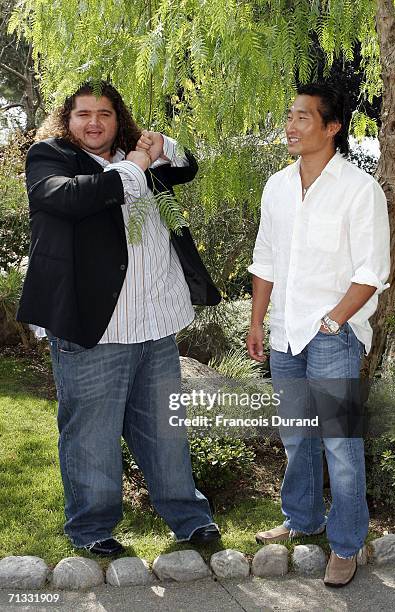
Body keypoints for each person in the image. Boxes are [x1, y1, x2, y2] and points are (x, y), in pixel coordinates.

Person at [17, 81, 221, 556]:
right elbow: (71, 199)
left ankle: (190, 520)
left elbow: (188, 165)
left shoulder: (140, 160)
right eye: (82, 114)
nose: (93, 123)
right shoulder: (50, 159)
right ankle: (92, 529)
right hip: (94, 329)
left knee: (166, 432)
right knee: (91, 435)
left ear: (118, 119)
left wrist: (159, 144)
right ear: (66, 122)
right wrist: (136, 164)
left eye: (104, 114)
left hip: (155, 326)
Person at [246, 82, 390, 587]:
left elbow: (373, 271)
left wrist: (332, 322)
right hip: (285, 333)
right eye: (289, 116)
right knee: (297, 436)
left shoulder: (359, 189)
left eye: (303, 117)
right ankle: (302, 520)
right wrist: (258, 319)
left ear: (332, 127)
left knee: (340, 443)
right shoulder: (276, 187)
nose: (290, 125)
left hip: (333, 335)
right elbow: (265, 259)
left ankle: (346, 544)